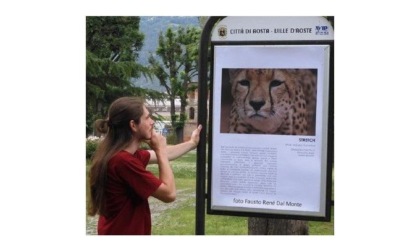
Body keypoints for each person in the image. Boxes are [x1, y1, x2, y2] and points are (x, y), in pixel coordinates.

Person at [87, 96, 202, 235]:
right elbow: (169, 194)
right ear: (133, 125)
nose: (152, 122)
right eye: (147, 118)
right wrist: (159, 149)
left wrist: (191, 143)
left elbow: (168, 153)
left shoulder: (125, 155)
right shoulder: (123, 161)